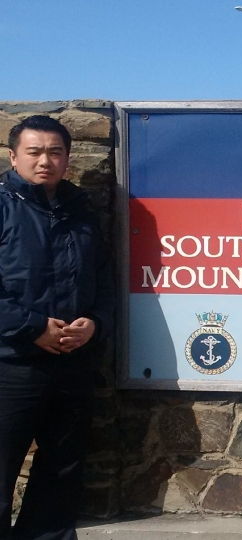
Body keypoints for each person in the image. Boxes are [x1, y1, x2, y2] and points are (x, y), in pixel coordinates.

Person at [0, 116, 114, 540]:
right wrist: (32, 328)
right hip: (11, 365)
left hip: (73, 364)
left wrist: (95, 324)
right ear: (14, 156)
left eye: (54, 152)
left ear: (67, 157)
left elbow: (104, 282)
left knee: (61, 471)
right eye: (34, 152)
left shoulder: (81, 212)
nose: (45, 160)